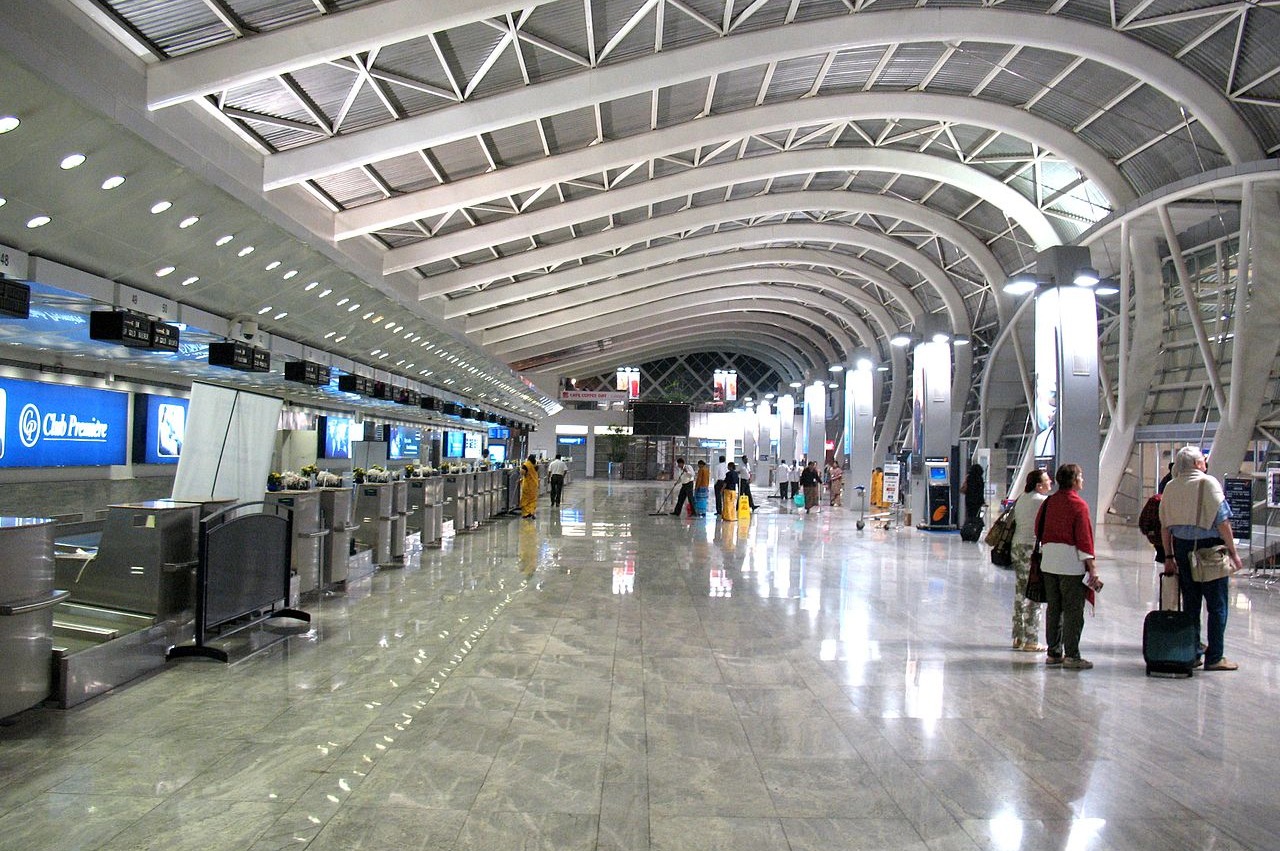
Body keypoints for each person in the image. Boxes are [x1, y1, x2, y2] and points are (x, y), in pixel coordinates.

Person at [1158, 446, 1244, 671]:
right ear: (1197, 464)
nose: (1205, 463)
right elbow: (1223, 522)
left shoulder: (1170, 486)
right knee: (1217, 606)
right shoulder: (1208, 483)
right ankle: (1215, 657)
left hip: (1182, 550)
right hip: (1209, 552)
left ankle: (1192, 652)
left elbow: (1165, 526)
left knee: (1191, 604)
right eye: (1203, 460)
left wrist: (1168, 555)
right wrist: (1234, 554)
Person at [1036, 463, 1100, 670]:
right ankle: (1072, 654)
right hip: (1071, 564)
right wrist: (1092, 568)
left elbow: (1039, 529)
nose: (1083, 480)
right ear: (1073, 480)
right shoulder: (1078, 505)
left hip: (1049, 563)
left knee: (1054, 608)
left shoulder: (1048, 503)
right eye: (1080, 476)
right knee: (1073, 610)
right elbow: (1084, 539)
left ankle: (1054, 652)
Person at [1010, 468, 1050, 652]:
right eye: (1047, 481)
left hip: (1016, 547)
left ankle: (1018, 636)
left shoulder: (1022, 499)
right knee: (1034, 592)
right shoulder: (1042, 502)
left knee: (1020, 592)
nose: (1050, 484)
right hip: (1031, 550)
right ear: (1038, 485)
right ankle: (1032, 639)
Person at [519, 454, 539, 519]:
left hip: (527, 485)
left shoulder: (526, 465)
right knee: (533, 499)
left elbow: (522, 473)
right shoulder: (535, 465)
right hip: (534, 485)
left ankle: (526, 513)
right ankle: (532, 512)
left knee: (526, 499)